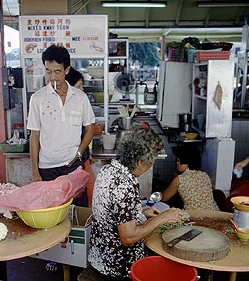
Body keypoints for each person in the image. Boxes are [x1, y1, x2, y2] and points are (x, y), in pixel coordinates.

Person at [88, 125, 184, 280]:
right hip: (117, 266)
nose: (151, 166)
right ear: (140, 161)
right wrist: (163, 218)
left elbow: (113, 212)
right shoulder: (125, 185)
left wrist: (140, 212)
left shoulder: (107, 170)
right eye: (151, 162)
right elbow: (127, 238)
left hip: (99, 256)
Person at [27, 45, 95, 207]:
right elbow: (34, 136)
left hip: (73, 166)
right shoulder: (38, 98)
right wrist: (35, 171)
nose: (52, 77)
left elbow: (90, 127)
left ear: (67, 70)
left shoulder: (80, 97)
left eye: (57, 71)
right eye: (48, 71)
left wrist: (79, 152)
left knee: (78, 212)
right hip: (47, 168)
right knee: (51, 214)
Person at [65, 67, 96, 207]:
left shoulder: (80, 104)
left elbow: (87, 130)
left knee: (90, 192)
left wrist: (86, 152)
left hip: (81, 159)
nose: (82, 90)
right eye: (79, 86)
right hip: (72, 161)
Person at [162, 145, 219, 211]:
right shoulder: (204, 175)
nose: (177, 163)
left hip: (194, 216)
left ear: (186, 163)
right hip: (214, 213)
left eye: (178, 160)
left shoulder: (179, 179)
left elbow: (164, 198)